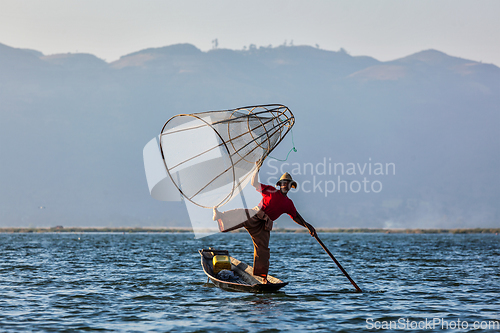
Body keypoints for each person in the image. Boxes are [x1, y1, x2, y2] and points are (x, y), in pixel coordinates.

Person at [213, 162, 316, 284]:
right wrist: (256, 169)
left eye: (287, 183)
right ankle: (220, 216)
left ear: (290, 186)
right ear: (280, 185)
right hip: (256, 215)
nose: (285, 185)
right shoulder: (271, 190)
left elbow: (296, 216)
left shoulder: (288, 203)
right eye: (283, 183)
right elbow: (254, 183)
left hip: (265, 225)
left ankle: (263, 278)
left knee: (263, 250)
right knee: (241, 214)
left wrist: (308, 226)